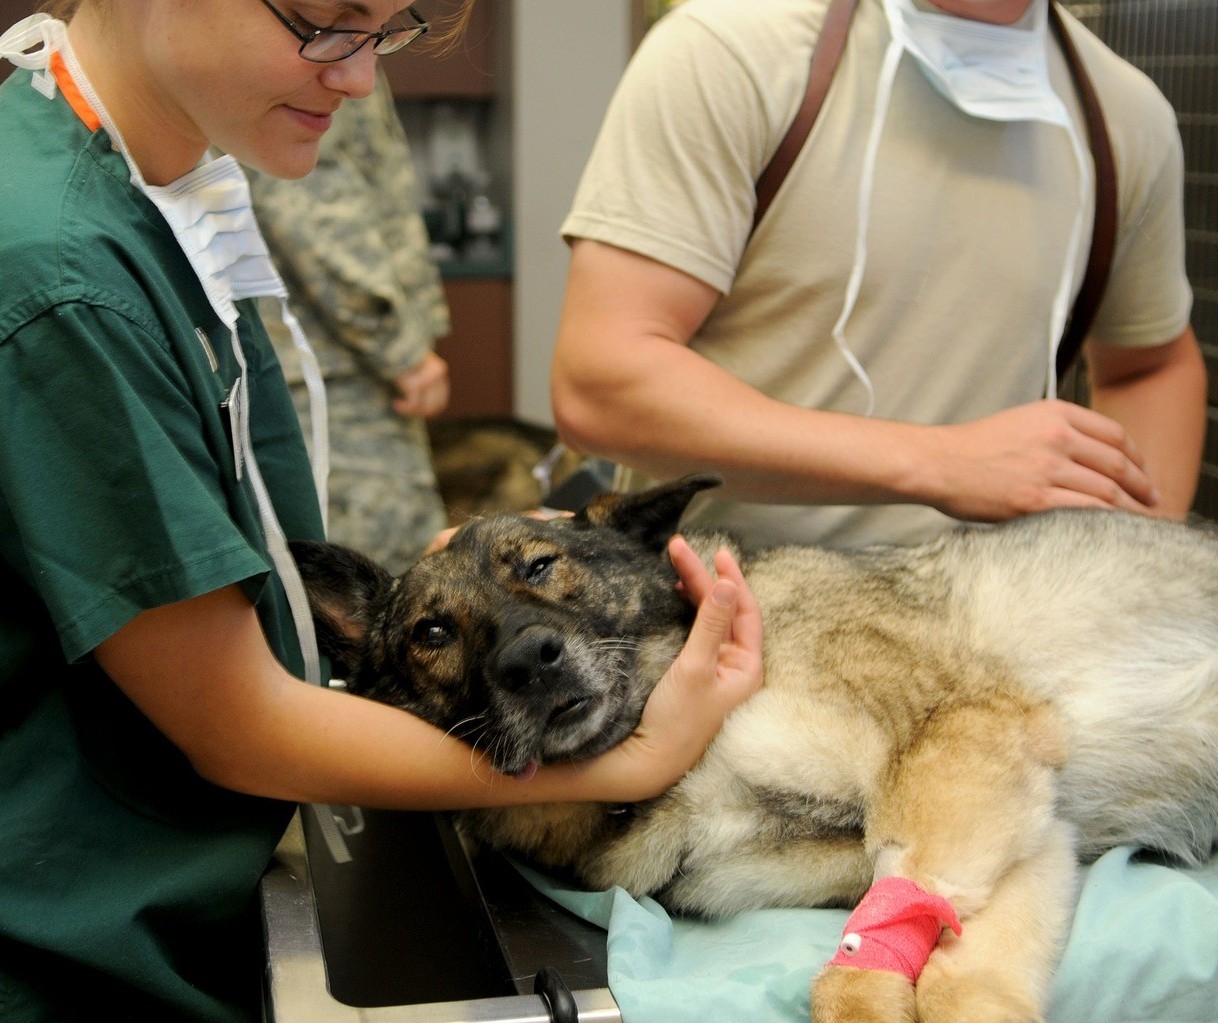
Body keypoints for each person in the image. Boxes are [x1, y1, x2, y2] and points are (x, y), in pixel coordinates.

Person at [0, 3, 763, 1022]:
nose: (358, 80)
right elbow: (237, 726)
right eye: (325, 24)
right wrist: (643, 753)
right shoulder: (62, 276)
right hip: (75, 960)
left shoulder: (164, 189)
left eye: (389, 33)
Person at [551, 0, 1208, 551]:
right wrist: (941, 461)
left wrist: (1132, 563)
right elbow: (601, 381)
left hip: (996, 637)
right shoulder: (734, 53)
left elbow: (1149, 364)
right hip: (726, 631)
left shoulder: (1125, 117)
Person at [247, 68, 451, 573]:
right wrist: (400, 349)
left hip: (318, 360)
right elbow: (312, 207)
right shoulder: (321, 42)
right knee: (383, 585)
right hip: (333, 369)